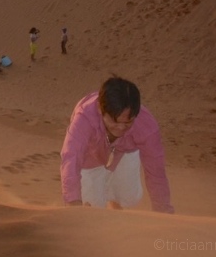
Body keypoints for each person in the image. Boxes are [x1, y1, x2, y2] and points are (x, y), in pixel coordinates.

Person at [60, 76, 174, 213]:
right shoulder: (84, 118)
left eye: (128, 122)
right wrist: (73, 204)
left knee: (129, 197)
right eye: (114, 121)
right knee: (91, 211)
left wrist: (163, 212)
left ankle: (114, 204)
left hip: (125, 151)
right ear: (100, 110)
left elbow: (156, 173)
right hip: (90, 157)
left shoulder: (146, 125)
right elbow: (71, 160)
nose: (120, 128)